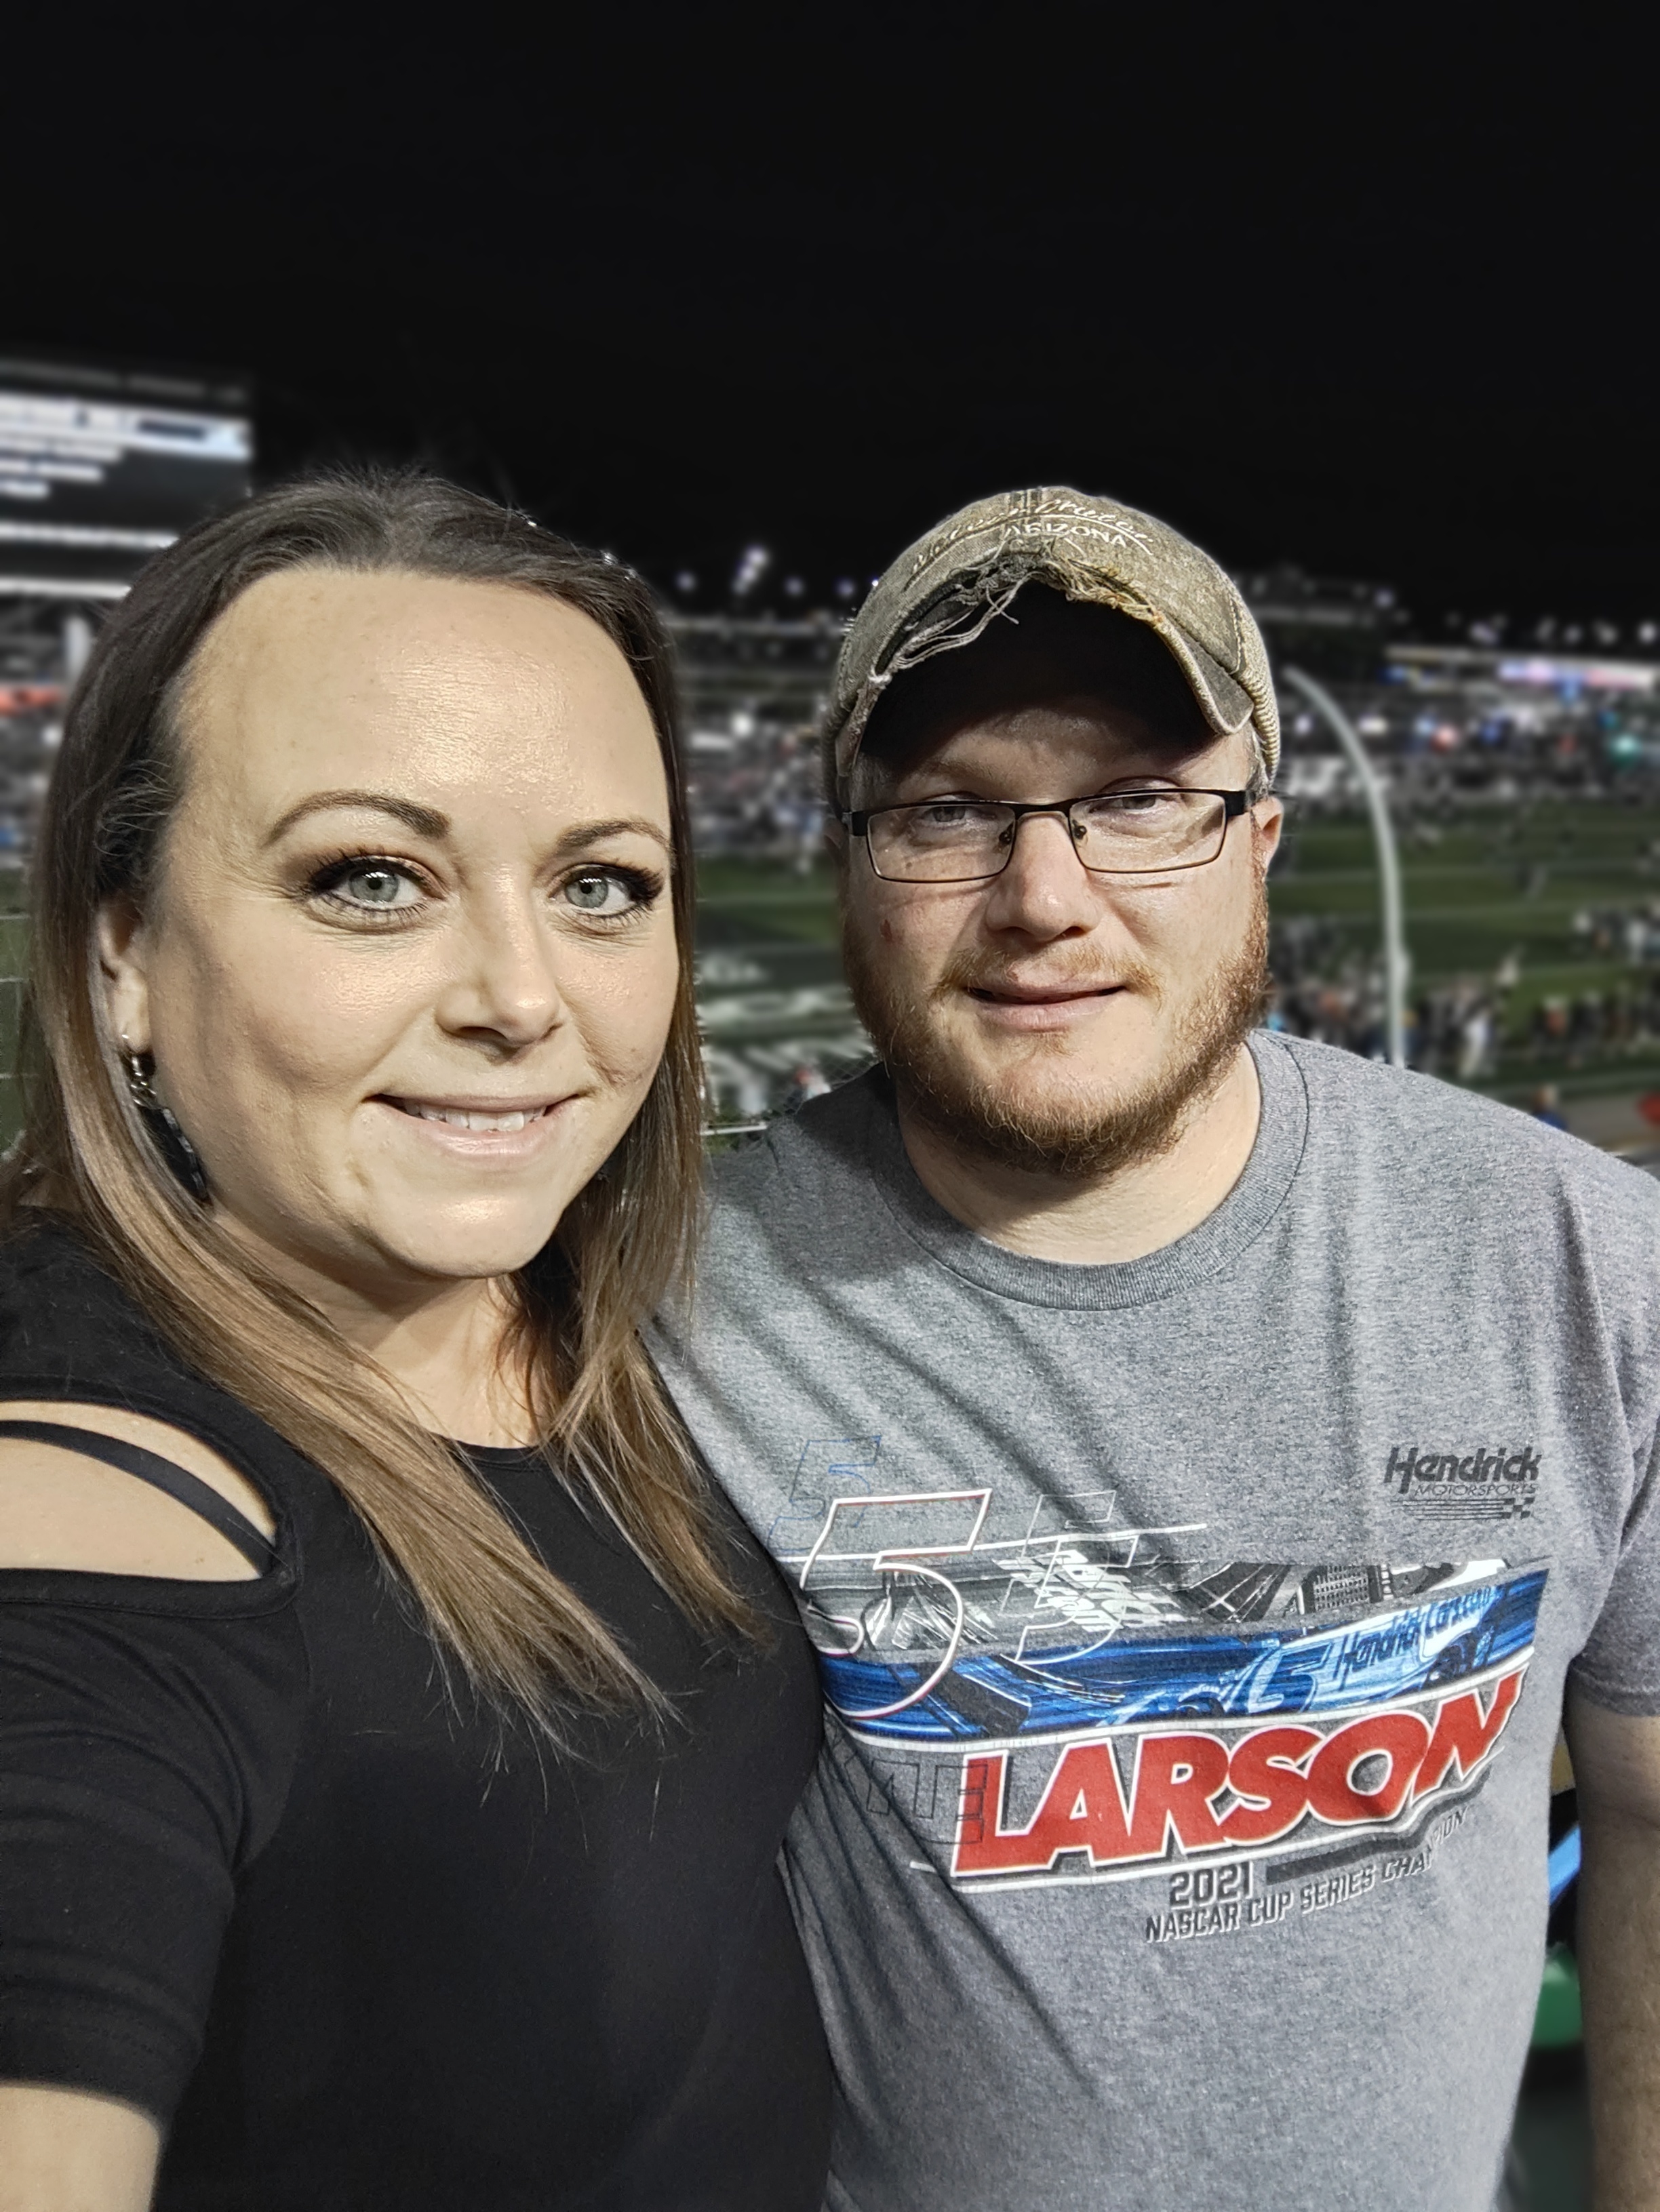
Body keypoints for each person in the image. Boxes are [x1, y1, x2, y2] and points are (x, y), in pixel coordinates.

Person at [652, 487, 1660, 2211]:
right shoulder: (666, 1301)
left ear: (1259, 839)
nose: (1045, 896)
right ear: (850, 863)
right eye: (949, 812)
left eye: (1135, 803)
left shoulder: (1585, 1264)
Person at [0, 473, 830, 2212]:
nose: (521, 997)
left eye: (602, 885)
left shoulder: (652, 1317)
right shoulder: (97, 1487)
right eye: (371, 878)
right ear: (123, 947)